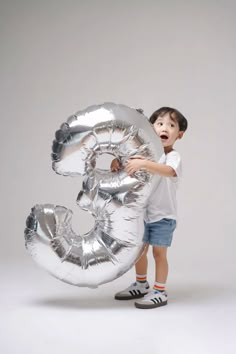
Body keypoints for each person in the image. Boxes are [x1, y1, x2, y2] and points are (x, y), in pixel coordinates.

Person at [111, 107, 188, 309]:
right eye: (160, 123)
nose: (165, 128)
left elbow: (168, 171)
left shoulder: (173, 156)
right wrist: (117, 163)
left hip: (164, 216)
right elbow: (131, 166)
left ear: (179, 135)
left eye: (171, 125)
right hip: (144, 215)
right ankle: (141, 283)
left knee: (159, 254)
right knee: (139, 252)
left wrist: (143, 163)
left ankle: (160, 291)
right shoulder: (145, 155)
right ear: (151, 129)